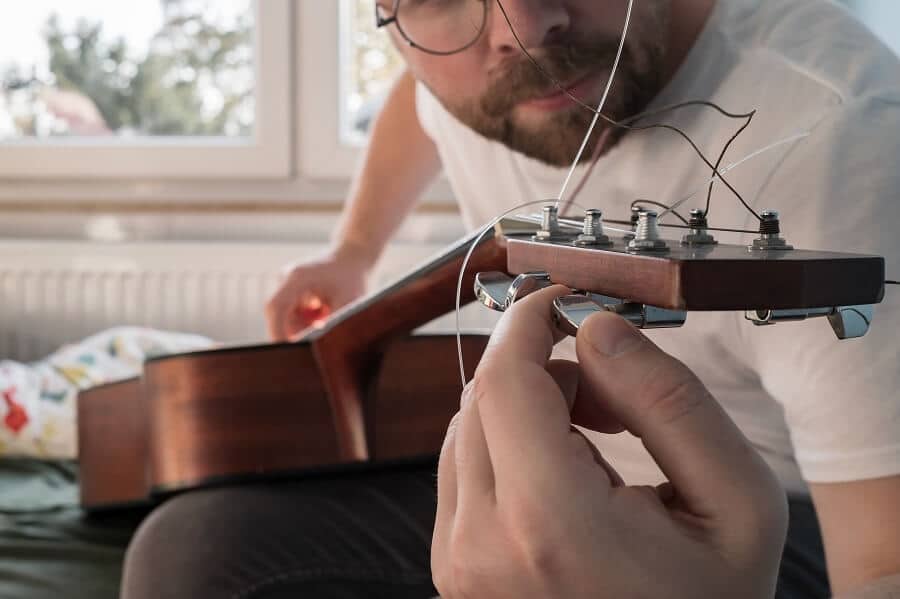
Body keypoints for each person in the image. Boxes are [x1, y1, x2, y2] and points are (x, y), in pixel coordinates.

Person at [121, 0, 900, 597]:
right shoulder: (472, 67)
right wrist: (350, 252)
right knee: (194, 551)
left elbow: (882, 561)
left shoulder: (845, 147)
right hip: (562, 466)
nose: (524, 31)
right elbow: (418, 103)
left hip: (771, 530)